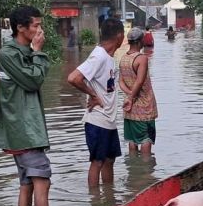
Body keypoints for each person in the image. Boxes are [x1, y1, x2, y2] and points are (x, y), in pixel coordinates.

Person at [0, 5, 51, 206]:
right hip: (24, 131)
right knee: (42, 181)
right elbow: (33, 80)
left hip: (26, 130)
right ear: (20, 27)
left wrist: (35, 52)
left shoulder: (21, 52)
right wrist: (38, 52)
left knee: (27, 183)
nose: (39, 30)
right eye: (36, 25)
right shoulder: (8, 55)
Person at [67, 18, 126, 187]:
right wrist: (93, 95)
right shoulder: (98, 56)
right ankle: (95, 204)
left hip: (109, 120)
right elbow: (73, 78)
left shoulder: (108, 57)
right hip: (97, 120)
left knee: (109, 160)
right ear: (120, 36)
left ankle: (108, 197)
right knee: (97, 162)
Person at [119, 27, 158, 156]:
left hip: (130, 108)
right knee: (146, 138)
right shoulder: (142, 58)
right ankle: (146, 171)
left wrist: (129, 96)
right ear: (139, 42)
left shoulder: (123, 58)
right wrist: (132, 97)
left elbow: (121, 82)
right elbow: (140, 81)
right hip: (144, 106)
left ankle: (134, 172)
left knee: (132, 140)